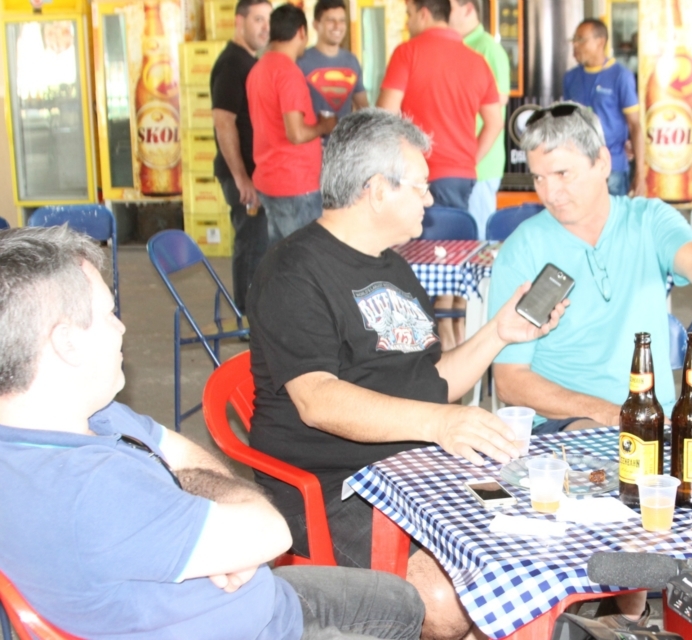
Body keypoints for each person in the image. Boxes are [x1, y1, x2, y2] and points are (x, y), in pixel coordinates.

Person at [0, 225, 424, 640]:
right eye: (109, 313)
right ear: (66, 343)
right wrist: (225, 520)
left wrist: (214, 529)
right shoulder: (89, 489)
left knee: (406, 603)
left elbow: (186, 460)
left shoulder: (82, 416)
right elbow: (272, 533)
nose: (122, 327)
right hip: (251, 625)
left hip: (263, 600)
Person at [246, 108, 566, 640]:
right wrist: (441, 424)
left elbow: (434, 380)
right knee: (449, 602)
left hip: (417, 467)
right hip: (335, 486)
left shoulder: (391, 264)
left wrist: (499, 333)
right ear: (375, 190)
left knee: (533, 547)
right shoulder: (293, 271)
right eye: (419, 186)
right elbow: (319, 400)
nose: (430, 199)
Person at [489, 102, 692, 431]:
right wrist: (610, 414)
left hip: (656, 420)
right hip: (568, 424)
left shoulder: (649, 220)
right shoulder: (523, 249)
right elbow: (510, 379)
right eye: (539, 178)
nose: (550, 192)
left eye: (563, 174)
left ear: (603, 162)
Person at [376, 0, 503, 212]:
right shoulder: (478, 61)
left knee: (417, 244)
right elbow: (495, 123)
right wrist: (469, 161)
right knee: (453, 241)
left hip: (418, 174)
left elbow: (384, 116)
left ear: (424, 14)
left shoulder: (407, 53)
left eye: (409, 15)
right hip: (461, 177)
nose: (407, 23)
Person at [247, 3, 336, 244]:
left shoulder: (258, 69)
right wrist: (323, 127)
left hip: (269, 179)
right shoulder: (288, 72)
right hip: (295, 185)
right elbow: (295, 133)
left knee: (282, 262)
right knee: (307, 262)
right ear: (301, 32)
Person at [211, 0, 272, 313]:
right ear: (239, 22)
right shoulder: (232, 63)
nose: (265, 27)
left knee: (260, 246)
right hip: (242, 176)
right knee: (251, 245)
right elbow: (223, 121)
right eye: (258, 19)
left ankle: (254, 318)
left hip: (253, 175)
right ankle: (248, 322)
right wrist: (241, 178)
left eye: (268, 20)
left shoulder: (249, 62)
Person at [448, 0, 510, 238]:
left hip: (480, 164)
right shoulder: (453, 45)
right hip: (457, 164)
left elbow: (497, 104)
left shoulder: (488, 49)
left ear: (468, 8)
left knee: (478, 241)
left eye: (449, 6)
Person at [563, 19, 644, 197]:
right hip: (579, 167)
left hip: (612, 168)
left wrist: (640, 173)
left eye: (581, 40)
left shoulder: (620, 76)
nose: (575, 45)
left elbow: (635, 125)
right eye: (574, 40)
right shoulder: (571, 78)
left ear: (600, 42)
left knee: (612, 222)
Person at [298, 0, 369, 128]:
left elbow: (363, 107)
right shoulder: (301, 61)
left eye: (342, 20)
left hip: (345, 144)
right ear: (316, 25)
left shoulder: (352, 61)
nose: (337, 26)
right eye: (331, 20)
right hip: (311, 145)